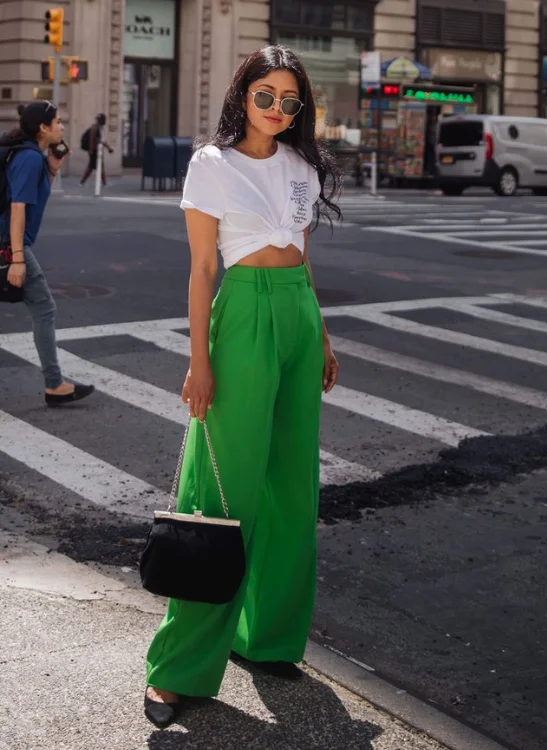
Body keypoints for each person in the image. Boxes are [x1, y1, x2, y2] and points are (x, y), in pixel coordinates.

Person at [144, 44, 341, 728]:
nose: (279, 111)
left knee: (291, 486)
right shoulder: (211, 164)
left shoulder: (300, 167)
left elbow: (304, 260)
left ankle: (268, 637)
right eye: (267, 97)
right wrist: (198, 360)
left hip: (295, 312)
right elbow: (202, 270)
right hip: (243, 311)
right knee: (219, 488)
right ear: (242, 96)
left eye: (291, 102)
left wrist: (320, 335)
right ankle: (181, 667)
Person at [0, 101, 94, 405]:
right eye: (57, 122)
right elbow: (18, 209)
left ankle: (55, 383)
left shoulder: (31, 155)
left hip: (7, 242)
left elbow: (35, 199)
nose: (62, 127)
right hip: (7, 244)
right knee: (44, 308)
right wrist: (16, 258)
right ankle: (54, 384)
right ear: (43, 128)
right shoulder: (27, 158)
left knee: (43, 309)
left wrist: (53, 169)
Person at [80, 113, 113, 186]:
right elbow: (91, 139)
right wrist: (91, 150)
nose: (105, 121)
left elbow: (102, 140)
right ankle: (104, 183)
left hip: (97, 150)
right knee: (96, 166)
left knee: (94, 166)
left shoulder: (100, 128)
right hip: (94, 150)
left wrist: (109, 148)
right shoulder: (94, 128)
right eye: (104, 120)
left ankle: (83, 181)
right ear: (101, 120)